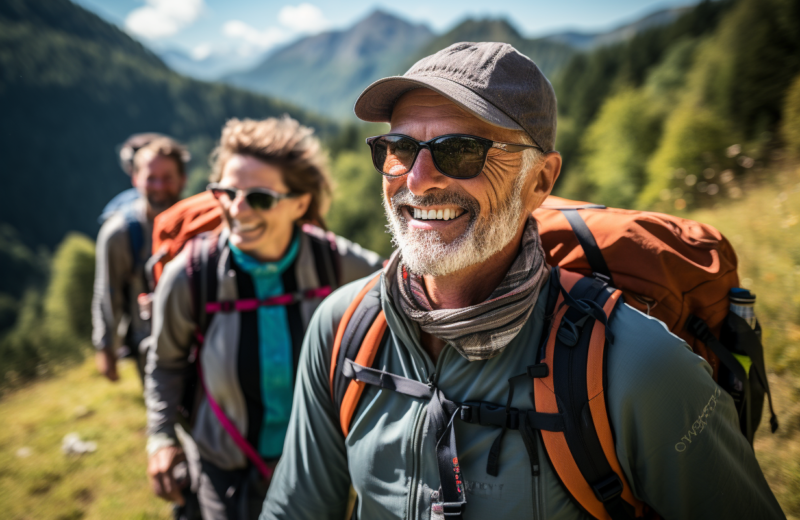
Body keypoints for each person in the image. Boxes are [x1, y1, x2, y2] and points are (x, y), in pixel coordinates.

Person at [260, 43, 785, 519]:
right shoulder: (343, 328)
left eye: (461, 150)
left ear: (540, 180)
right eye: (398, 149)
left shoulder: (637, 366)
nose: (417, 181)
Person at [144, 116, 383, 520]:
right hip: (222, 470)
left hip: (317, 468)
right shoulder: (189, 277)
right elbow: (165, 364)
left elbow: (405, 289)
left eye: (259, 198)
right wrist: (160, 438)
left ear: (300, 203)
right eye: (226, 192)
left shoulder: (338, 265)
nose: (237, 210)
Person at [92, 135, 188, 382]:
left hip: (199, 339)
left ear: (183, 180)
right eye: (151, 178)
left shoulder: (199, 224)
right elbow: (107, 291)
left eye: (167, 178)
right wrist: (106, 348)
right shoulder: (119, 233)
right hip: (149, 345)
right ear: (135, 179)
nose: (159, 186)